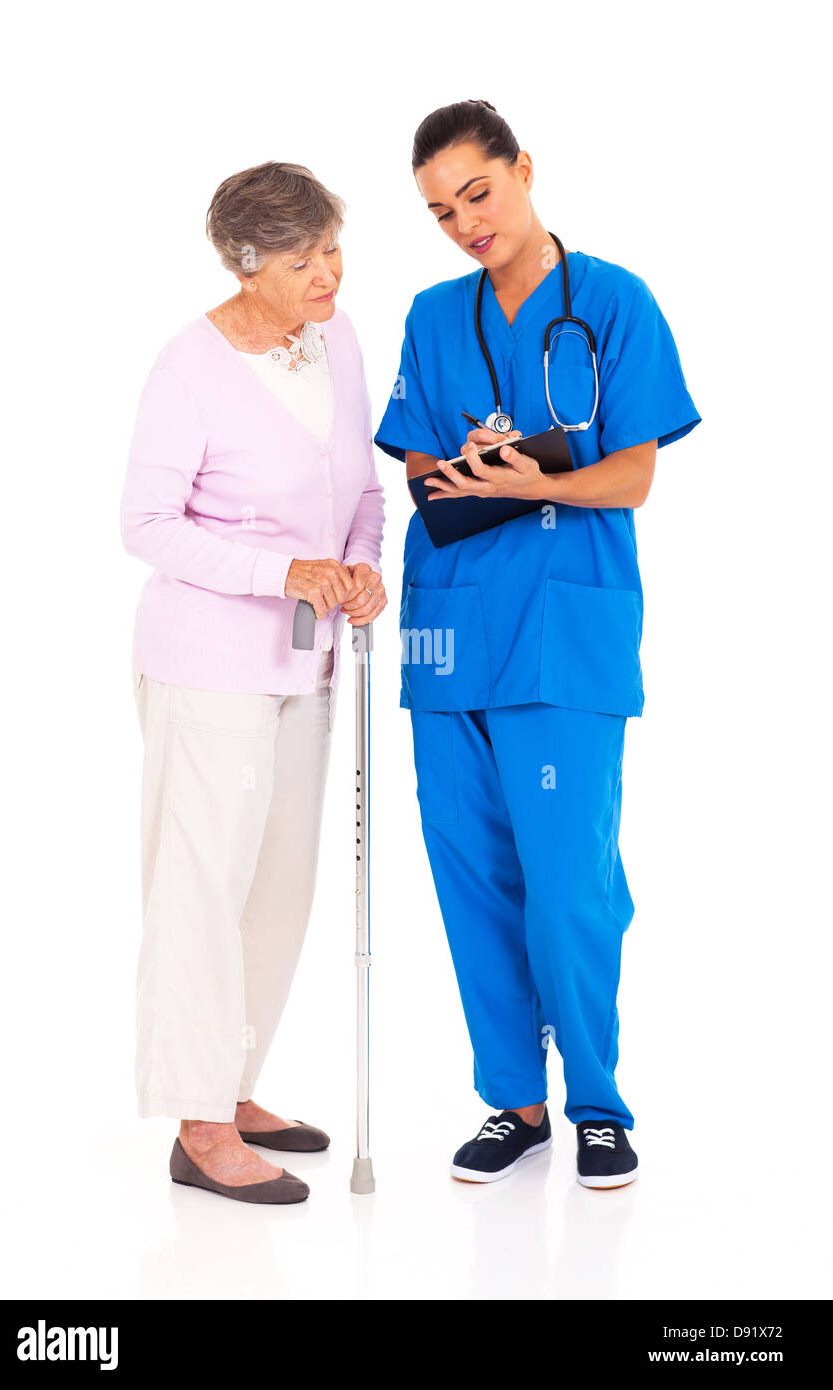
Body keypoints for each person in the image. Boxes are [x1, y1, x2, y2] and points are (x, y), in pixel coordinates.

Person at [376, 101, 699, 1189]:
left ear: (522, 169)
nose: (463, 222)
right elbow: (416, 471)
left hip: (563, 628)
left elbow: (636, 474)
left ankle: (597, 1102)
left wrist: (539, 480)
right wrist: (466, 467)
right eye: (437, 210)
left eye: (476, 192)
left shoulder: (611, 301)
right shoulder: (432, 314)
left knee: (567, 881)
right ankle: (512, 1100)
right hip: (446, 627)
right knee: (470, 874)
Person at [121, 162, 386, 1205]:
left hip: (305, 659)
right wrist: (284, 571)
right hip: (207, 669)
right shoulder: (187, 369)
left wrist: (360, 564)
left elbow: (359, 487)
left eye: (331, 247)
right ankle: (195, 1126)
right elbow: (143, 526)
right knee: (200, 892)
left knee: (278, 890)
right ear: (244, 263)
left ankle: (230, 1087)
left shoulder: (339, 337)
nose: (328, 272)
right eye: (302, 258)